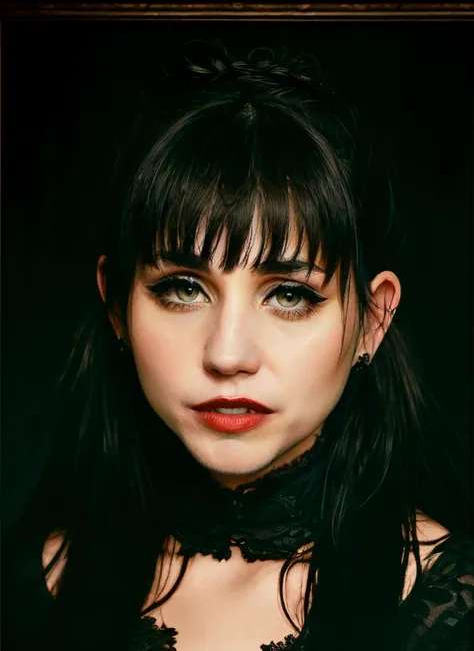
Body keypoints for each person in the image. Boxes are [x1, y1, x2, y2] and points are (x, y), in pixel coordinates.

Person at [3, 39, 474, 651]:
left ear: (373, 321)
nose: (227, 355)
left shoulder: (450, 612)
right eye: (181, 289)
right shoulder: (31, 591)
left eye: (289, 295)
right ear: (117, 307)